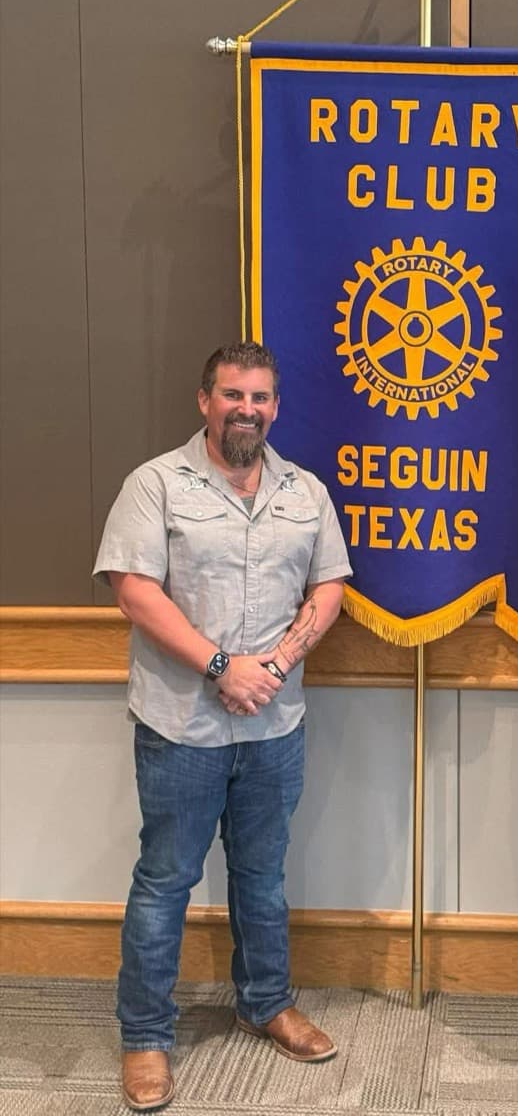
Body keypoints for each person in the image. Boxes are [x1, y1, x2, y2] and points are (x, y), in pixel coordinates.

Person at [94, 341, 351, 1112]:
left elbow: (329, 587)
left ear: (276, 407)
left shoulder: (304, 491)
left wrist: (273, 665)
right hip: (181, 728)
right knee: (164, 883)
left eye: (261, 397)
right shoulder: (155, 486)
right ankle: (145, 1036)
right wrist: (221, 668)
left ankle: (265, 1002)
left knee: (263, 878)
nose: (247, 409)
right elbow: (134, 591)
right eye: (233, 394)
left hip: (275, 727)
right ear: (205, 400)